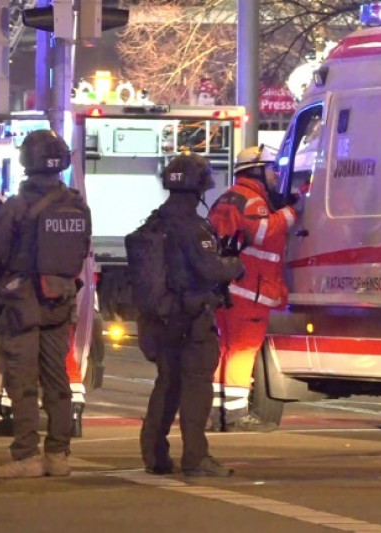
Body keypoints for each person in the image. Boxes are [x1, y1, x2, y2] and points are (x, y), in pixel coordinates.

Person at [0, 129, 91, 478]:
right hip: (60, 299)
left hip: (22, 302)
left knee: (21, 381)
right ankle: (59, 455)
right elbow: (81, 249)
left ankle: (26, 456)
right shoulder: (77, 204)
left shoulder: (17, 207)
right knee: (58, 379)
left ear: (27, 162)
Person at [136, 153, 245, 477]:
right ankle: (196, 458)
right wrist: (235, 265)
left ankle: (155, 455)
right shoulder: (193, 226)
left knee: (166, 385)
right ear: (200, 186)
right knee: (196, 387)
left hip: (162, 318)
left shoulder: (155, 221)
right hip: (193, 318)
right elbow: (209, 267)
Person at [207, 145, 304, 432]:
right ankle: (235, 417)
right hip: (250, 290)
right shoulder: (253, 201)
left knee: (225, 350)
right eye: (272, 169)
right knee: (242, 351)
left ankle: (219, 414)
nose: (276, 175)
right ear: (257, 170)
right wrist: (291, 212)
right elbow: (261, 233)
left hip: (229, 289)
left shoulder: (228, 198)